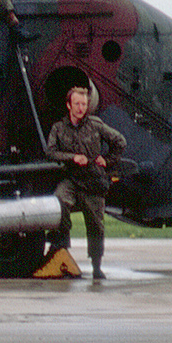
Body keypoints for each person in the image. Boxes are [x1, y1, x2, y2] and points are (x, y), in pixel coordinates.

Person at [46, 85, 127, 281]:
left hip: (93, 181)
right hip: (72, 179)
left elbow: (120, 142)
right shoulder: (59, 128)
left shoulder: (95, 124)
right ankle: (62, 243)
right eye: (77, 104)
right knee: (59, 202)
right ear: (68, 105)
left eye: (84, 104)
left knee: (96, 226)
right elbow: (50, 152)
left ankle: (96, 266)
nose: (81, 108)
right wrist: (72, 158)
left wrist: (107, 160)